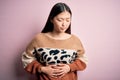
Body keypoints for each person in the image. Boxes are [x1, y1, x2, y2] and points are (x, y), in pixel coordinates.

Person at [22, 2, 88, 80]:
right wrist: (42, 69)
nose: (64, 24)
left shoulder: (75, 40)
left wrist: (69, 67)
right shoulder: (39, 39)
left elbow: (83, 60)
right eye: (60, 20)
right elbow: (27, 58)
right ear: (51, 19)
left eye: (67, 20)